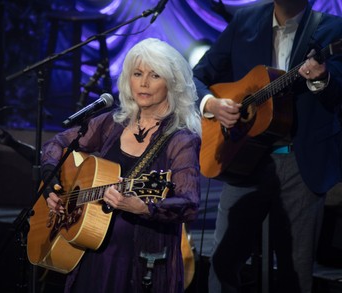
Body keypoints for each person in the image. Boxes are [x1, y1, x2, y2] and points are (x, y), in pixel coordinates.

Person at [192, 0, 342, 292]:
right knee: (223, 264)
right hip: (243, 158)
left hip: (300, 164)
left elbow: (338, 98)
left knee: (295, 274)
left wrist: (322, 79)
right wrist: (211, 103)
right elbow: (198, 76)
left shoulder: (331, 30)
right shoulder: (244, 21)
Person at [41, 37, 202, 292]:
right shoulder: (110, 124)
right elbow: (56, 143)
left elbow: (189, 204)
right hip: (91, 252)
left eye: (155, 75)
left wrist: (143, 207)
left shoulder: (180, 140)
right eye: (137, 74)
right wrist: (53, 182)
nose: (144, 83)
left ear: (172, 84)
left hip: (140, 262)